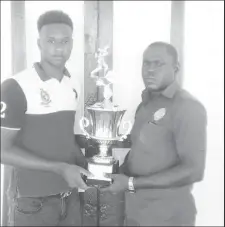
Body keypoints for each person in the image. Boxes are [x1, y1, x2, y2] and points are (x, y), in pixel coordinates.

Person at [0, 10, 93, 226]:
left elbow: (63, 137)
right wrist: (59, 168)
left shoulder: (73, 84)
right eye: (51, 41)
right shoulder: (15, 87)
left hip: (69, 198)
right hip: (31, 203)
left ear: (72, 43)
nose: (59, 48)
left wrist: (89, 165)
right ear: (39, 43)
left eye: (65, 41)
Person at [102, 41, 207, 226]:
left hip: (167, 217)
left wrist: (131, 183)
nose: (150, 70)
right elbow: (142, 153)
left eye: (158, 64)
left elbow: (193, 170)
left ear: (176, 68)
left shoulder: (187, 107)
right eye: (146, 63)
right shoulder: (145, 104)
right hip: (135, 212)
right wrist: (111, 172)